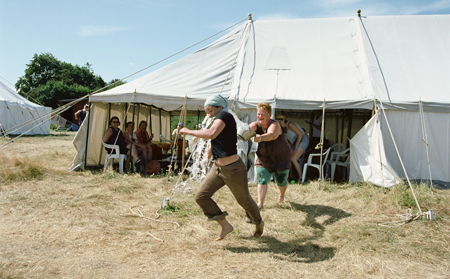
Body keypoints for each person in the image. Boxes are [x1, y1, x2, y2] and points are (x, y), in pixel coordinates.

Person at [179, 94, 264, 241]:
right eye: (207, 111)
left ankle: (258, 222)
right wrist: (207, 155)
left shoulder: (225, 115)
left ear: (219, 107)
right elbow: (216, 140)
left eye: (210, 110)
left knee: (244, 200)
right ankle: (225, 225)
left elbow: (211, 134)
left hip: (233, 169)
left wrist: (188, 131)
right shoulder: (217, 119)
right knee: (201, 196)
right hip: (217, 168)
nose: (209, 114)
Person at [249, 103, 292, 209]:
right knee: (262, 179)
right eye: (258, 114)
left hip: (280, 157)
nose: (260, 116)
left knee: (281, 181)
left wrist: (260, 138)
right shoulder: (256, 125)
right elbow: (246, 130)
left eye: (262, 114)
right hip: (264, 157)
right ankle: (260, 204)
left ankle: (282, 194)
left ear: (269, 114)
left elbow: (272, 135)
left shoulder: (275, 124)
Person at [276, 115, 309, 181]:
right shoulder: (283, 130)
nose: (279, 123)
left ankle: (301, 178)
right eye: (277, 122)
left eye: (280, 121)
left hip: (303, 139)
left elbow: (300, 134)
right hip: (295, 141)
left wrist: (296, 146)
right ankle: (290, 176)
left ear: (283, 120)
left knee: (294, 159)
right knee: (288, 158)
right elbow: (290, 141)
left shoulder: (290, 124)